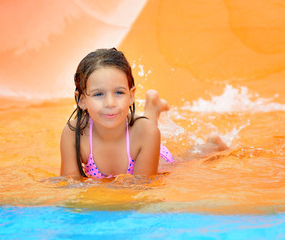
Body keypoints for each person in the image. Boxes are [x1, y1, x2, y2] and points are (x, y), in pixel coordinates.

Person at [60, 48, 227, 179]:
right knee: (145, 126)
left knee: (182, 161)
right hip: (139, 136)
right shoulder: (74, 133)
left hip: (154, 155)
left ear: (131, 95)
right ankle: (152, 108)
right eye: (98, 94)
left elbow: (142, 186)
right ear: (82, 100)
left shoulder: (147, 132)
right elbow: (70, 183)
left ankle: (212, 145)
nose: (110, 103)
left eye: (119, 92)